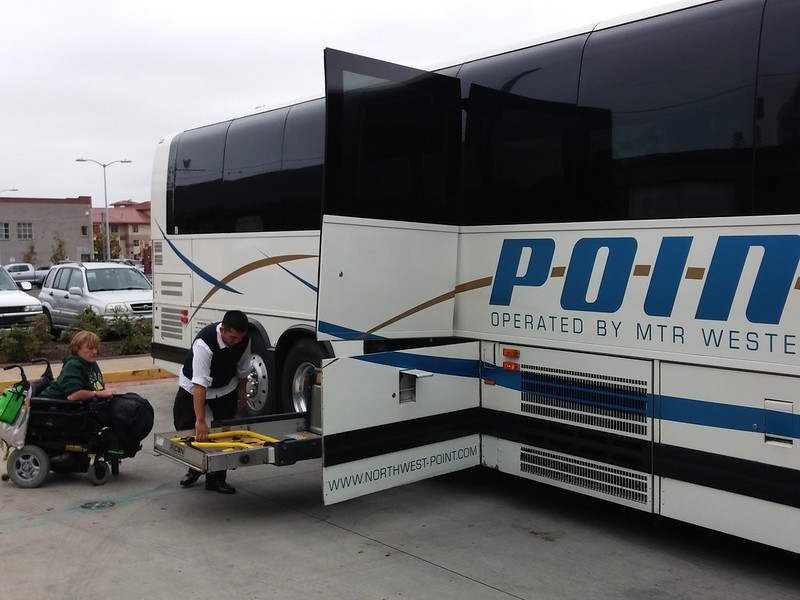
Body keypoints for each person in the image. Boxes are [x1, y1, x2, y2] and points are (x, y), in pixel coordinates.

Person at [173, 309, 251, 494]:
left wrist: (242, 393)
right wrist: (200, 420)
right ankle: (195, 466)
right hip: (193, 387)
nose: (237, 341)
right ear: (222, 330)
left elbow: (243, 368)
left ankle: (216, 479)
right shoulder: (204, 343)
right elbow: (200, 384)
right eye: (232, 337)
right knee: (185, 427)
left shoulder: (244, 339)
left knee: (223, 432)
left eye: (240, 337)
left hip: (225, 387)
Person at [39, 330, 118, 400]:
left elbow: (95, 385)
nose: (94, 352)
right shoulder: (73, 365)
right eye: (90, 348)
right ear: (77, 349)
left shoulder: (91, 363)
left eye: (95, 348)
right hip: (51, 405)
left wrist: (105, 389)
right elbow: (73, 395)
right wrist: (97, 393)